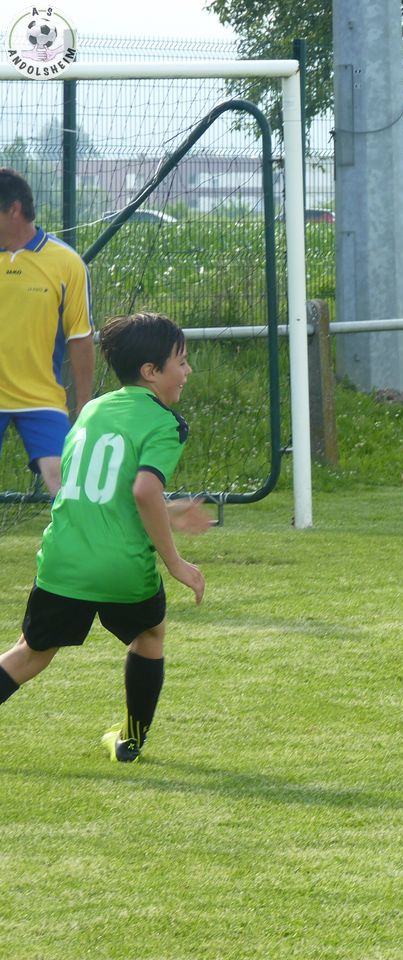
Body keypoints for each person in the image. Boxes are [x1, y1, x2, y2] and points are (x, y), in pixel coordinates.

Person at [0, 312, 212, 762]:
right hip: (121, 568)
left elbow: (101, 491)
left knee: (31, 653)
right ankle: (130, 741)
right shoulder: (165, 423)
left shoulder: (92, 410)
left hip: (65, 559)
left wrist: (170, 511)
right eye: (181, 362)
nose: (188, 371)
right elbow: (143, 490)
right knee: (150, 634)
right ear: (151, 371)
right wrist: (176, 563)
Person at [0, 167, 94, 496]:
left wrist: (84, 406)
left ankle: (77, 535)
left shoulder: (66, 263)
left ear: (14, 209)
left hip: (41, 397)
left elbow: (80, 339)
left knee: (64, 481)